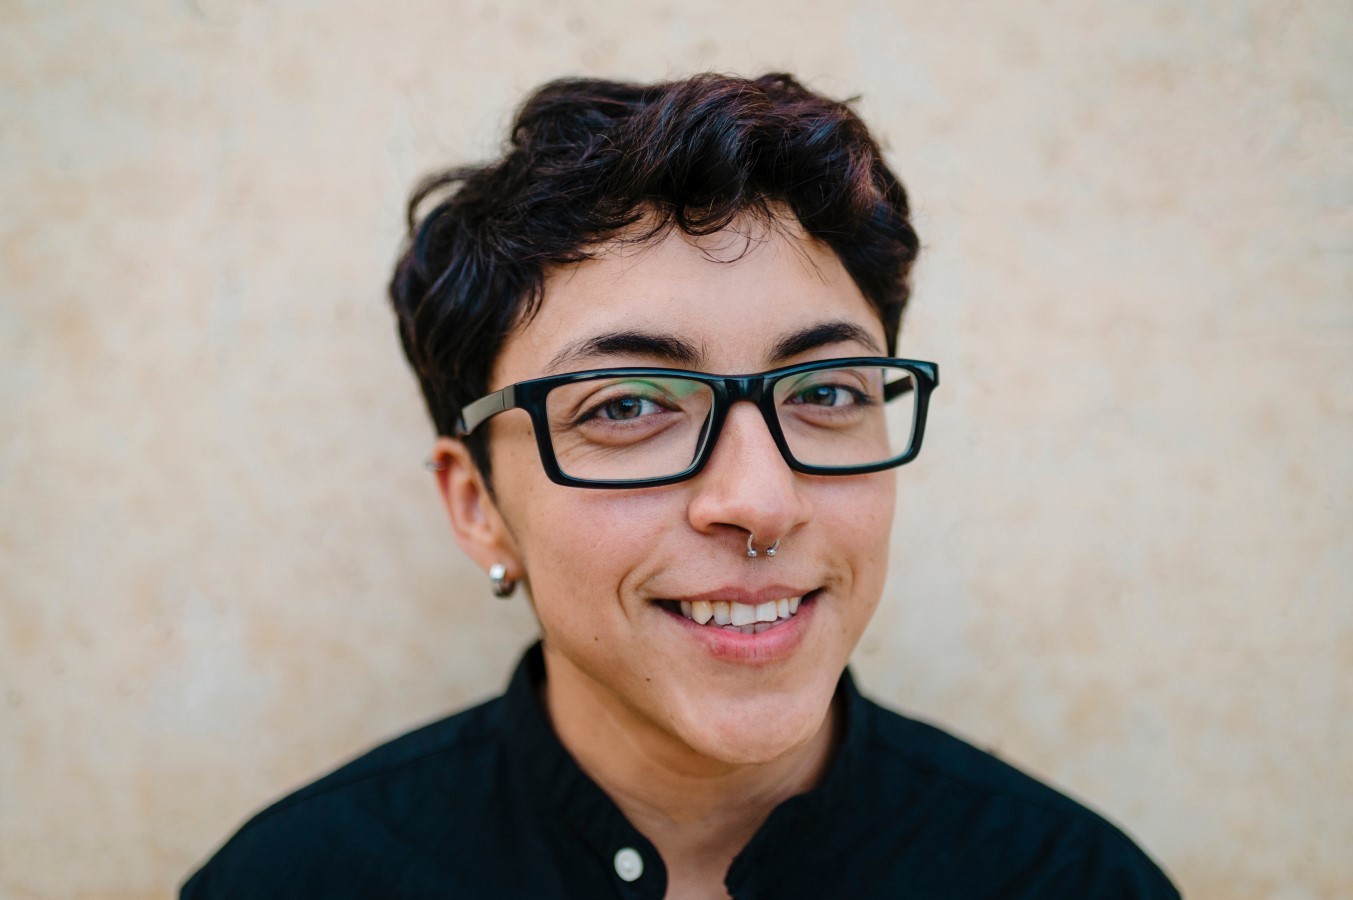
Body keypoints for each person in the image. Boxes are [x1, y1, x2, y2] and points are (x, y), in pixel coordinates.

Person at [182, 73, 1179, 899]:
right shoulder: (293, 883)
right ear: (478, 506)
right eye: (625, 406)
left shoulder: (1072, 882)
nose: (762, 500)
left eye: (825, 391)